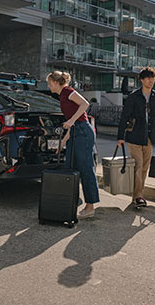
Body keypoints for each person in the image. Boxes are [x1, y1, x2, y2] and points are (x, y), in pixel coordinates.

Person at [46, 71, 99, 219]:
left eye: (50, 83)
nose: (49, 86)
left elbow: (85, 104)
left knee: (86, 168)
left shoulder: (68, 91)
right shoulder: (62, 95)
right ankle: (70, 202)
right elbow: (72, 121)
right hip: (75, 132)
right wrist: (64, 140)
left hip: (83, 132)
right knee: (70, 166)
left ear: (56, 82)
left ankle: (90, 206)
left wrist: (70, 122)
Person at [117, 67, 155, 208]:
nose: (151, 81)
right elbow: (124, 117)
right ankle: (139, 196)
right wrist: (120, 137)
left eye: (153, 79)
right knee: (138, 167)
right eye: (148, 78)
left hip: (150, 138)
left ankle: (137, 196)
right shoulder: (133, 97)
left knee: (144, 168)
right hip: (135, 137)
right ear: (142, 80)